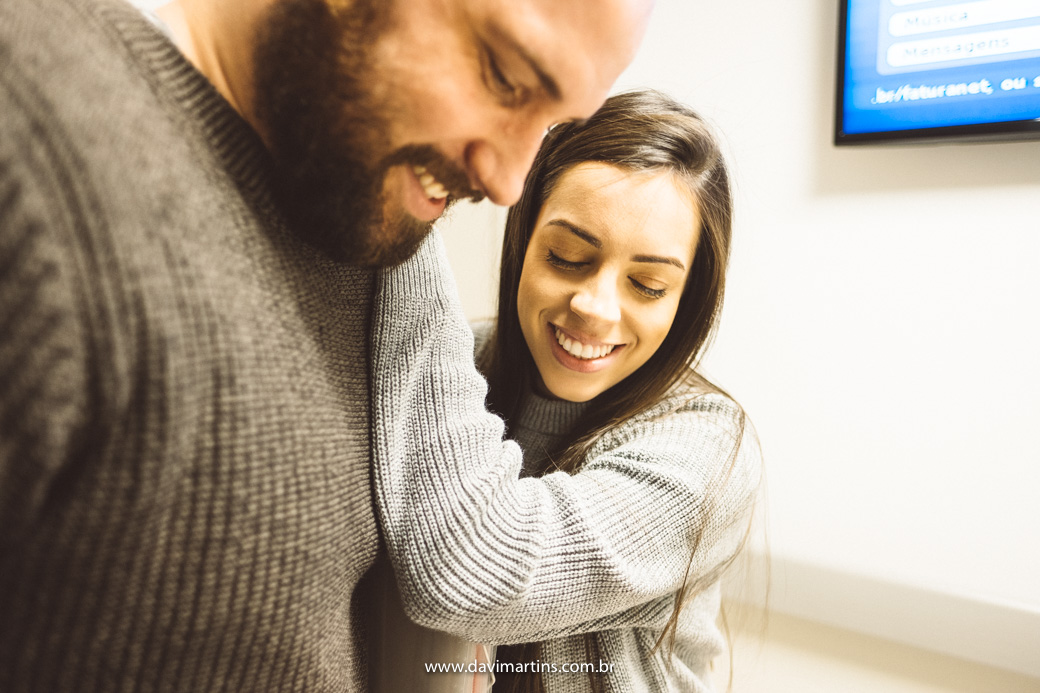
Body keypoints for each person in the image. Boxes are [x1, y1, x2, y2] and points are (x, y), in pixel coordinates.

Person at [0, 0, 652, 689]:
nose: (507, 184)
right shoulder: (30, 124)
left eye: (551, 123)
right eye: (505, 77)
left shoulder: (360, 230)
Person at [370, 90, 761, 692]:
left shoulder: (706, 443)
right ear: (523, 241)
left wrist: (397, 221)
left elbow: (471, 575)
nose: (595, 309)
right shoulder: (454, 363)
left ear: (686, 301)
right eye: (567, 256)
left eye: (649, 285)